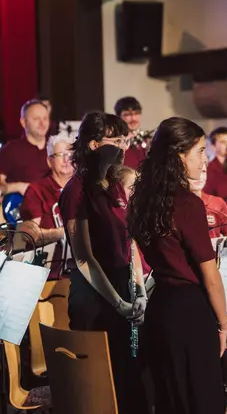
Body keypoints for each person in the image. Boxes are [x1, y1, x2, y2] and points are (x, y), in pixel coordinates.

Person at [127, 117, 227, 414]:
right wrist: (223, 325)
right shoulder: (187, 204)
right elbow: (209, 274)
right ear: (179, 155)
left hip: (161, 308)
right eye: (199, 151)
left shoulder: (142, 199)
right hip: (191, 313)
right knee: (202, 400)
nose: (204, 159)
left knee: (171, 399)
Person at [59, 111, 148, 414]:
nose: (124, 147)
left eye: (125, 140)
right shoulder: (76, 190)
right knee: (100, 390)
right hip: (94, 296)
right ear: (94, 144)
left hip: (121, 286)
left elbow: (130, 241)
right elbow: (84, 257)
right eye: (116, 140)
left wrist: (139, 290)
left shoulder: (115, 186)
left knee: (128, 384)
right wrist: (118, 303)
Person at [18, 133, 75, 278]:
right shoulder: (36, 190)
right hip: (48, 273)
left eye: (70, 154)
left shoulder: (83, 188)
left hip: (80, 270)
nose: (66, 159)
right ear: (49, 161)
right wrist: (63, 233)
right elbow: (30, 235)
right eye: (60, 154)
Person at [0, 99, 51, 196]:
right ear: (23, 122)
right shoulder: (11, 150)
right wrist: (18, 187)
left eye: (45, 118)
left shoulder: (57, 148)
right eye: (36, 119)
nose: (42, 123)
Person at [190, 168, 227, 238]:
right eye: (193, 171)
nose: (199, 176)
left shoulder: (217, 203)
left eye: (203, 171)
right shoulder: (173, 203)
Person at [115, 96, 147, 169]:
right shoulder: (115, 143)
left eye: (136, 113)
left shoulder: (145, 141)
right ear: (119, 117)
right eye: (127, 114)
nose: (133, 118)